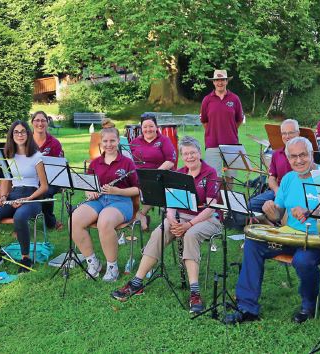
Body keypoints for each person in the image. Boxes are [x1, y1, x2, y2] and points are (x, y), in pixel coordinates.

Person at [224, 137, 320, 325]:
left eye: (303, 155)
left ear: (312, 154)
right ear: (288, 158)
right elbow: (278, 215)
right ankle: (247, 307)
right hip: (290, 236)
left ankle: (310, 304)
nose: (298, 161)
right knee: (253, 243)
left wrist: (312, 212)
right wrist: (271, 212)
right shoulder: (289, 178)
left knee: (302, 260)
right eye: (293, 157)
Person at [111, 136, 222, 314]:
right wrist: (171, 220)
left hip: (207, 219)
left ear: (200, 153)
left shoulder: (210, 173)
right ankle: (137, 283)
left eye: (193, 152)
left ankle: (195, 292)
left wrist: (189, 224)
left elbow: (211, 208)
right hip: (180, 218)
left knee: (191, 235)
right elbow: (170, 205)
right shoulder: (178, 172)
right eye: (186, 154)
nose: (190, 156)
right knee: (159, 232)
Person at [71, 127, 140, 282]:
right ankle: (93, 262)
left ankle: (112, 267)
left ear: (118, 141)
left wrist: (117, 191)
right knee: (74, 220)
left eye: (112, 140)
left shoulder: (127, 163)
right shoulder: (95, 163)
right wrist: (90, 193)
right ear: (100, 143)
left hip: (121, 201)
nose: (109, 144)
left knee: (104, 221)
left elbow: (138, 189)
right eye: (105, 141)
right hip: (99, 200)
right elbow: (87, 187)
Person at [0, 121, 49, 272]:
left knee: (20, 217)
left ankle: (26, 258)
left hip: (33, 197)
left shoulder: (36, 156)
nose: (20, 134)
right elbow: (6, 181)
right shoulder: (8, 156)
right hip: (14, 194)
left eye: (23, 131)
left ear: (28, 134)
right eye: (16, 132)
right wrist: (3, 197)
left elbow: (44, 186)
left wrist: (27, 199)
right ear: (11, 135)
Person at [129, 114, 177, 229]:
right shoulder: (135, 142)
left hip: (158, 175)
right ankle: (130, 214)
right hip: (137, 175)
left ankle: (141, 214)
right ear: (141, 128)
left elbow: (171, 161)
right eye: (145, 127)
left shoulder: (164, 140)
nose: (148, 129)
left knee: (151, 184)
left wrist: (155, 173)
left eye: (151, 126)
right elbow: (126, 159)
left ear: (156, 127)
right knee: (123, 184)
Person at [248, 119, 299, 220]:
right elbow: (271, 178)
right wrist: (277, 190)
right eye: (284, 133)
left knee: (288, 213)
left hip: (296, 194)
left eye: (290, 133)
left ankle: (277, 221)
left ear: (298, 133)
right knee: (251, 205)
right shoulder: (276, 154)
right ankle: (270, 224)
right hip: (278, 191)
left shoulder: (304, 154)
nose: (287, 136)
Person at [200, 69, 243, 182]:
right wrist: (213, 132)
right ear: (213, 82)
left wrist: (229, 131)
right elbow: (204, 121)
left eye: (222, 80)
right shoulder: (207, 100)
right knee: (214, 177)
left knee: (230, 177)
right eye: (217, 80)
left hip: (232, 144)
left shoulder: (235, 99)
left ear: (226, 81)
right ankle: (217, 199)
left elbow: (239, 120)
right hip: (212, 144)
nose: (220, 83)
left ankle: (229, 199)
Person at [31, 111, 65, 230]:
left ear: (47, 122)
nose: (40, 123)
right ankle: (21, 223)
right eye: (37, 120)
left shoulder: (54, 143)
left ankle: (50, 222)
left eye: (43, 120)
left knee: (45, 191)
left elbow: (60, 166)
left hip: (51, 179)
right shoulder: (26, 141)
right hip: (31, 178)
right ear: (32, 123)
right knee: (20, 189)